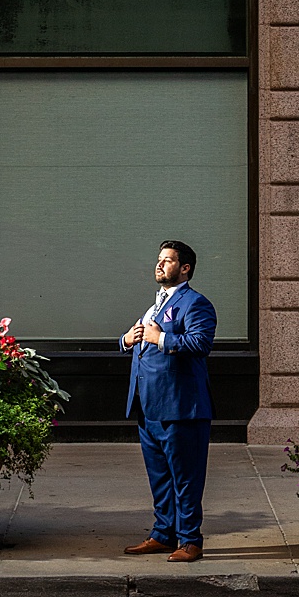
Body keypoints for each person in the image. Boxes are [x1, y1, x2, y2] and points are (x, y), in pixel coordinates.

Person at [120, 239, 216, 563]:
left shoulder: (196, 304)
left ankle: (190, 541)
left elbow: (200, 343)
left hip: (181, 408)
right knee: (159, 477)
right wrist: (126, 339)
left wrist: (159, 337)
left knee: (185, 478)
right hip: (149, 408)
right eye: (159, 259)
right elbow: (141, 339)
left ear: (185, 268)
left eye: (168, 260)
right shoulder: (154, 304)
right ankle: (164, 534)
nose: (160, 264)